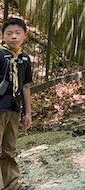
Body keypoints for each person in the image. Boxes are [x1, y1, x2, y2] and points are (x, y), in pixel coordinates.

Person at [0, 17, 33, 190]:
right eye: (9, 33)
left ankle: (12, 184)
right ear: (3, 36)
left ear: (24, 36)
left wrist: (27, 112)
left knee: (9, 149)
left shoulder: (25, 59)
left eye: (17, 33)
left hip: (14, 109)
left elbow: (26, 86)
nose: (13, 36)